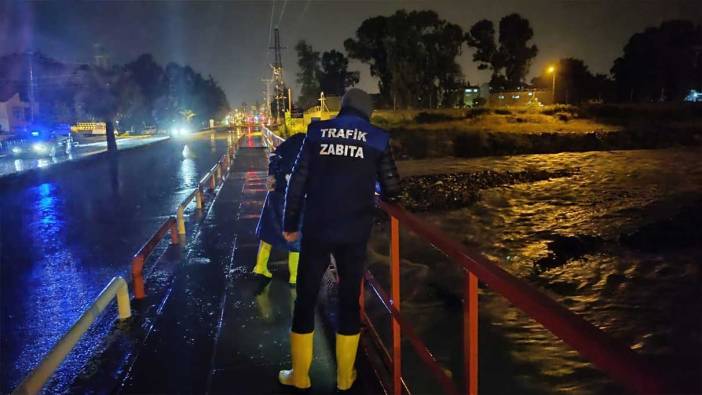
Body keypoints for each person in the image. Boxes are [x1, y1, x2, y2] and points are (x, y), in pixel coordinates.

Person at [278, 88, 400, 391]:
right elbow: (393, 188)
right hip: (354, 232)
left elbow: (298, 181)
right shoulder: (377, 138)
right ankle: (346, 377)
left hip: (318, 228)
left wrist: (290, 223)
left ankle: (300, 376)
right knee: (349, 301)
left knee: (305, 298)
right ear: (367, 112)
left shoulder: (317, 132)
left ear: (342, 109)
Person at [252, 132, 306, 284]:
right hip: (297, 199)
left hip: (277, 193)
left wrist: (271, 176)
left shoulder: (290, 143)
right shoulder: (312, 147)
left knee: (268, 231)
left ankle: (260, 267)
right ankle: (295, 276)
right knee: (296, 237)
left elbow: (274, 157)